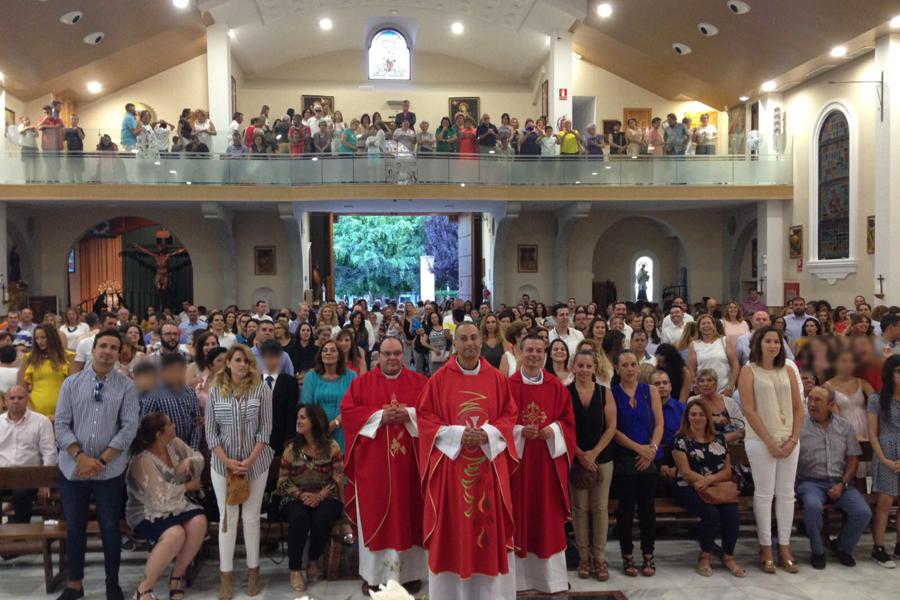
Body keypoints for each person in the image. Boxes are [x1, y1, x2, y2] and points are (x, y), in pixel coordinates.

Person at [417, 322, 519, 600]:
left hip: (487, 469)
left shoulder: (497, 379)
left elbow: (510, 416)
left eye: (474, 337)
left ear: (481, 342)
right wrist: (460, 435)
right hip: (452, 472)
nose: (470, 343)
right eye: (463, 339)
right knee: (453, 533)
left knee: (486, 534)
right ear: (456, 343)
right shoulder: (438, 379)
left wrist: (486, 434)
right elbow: (425, 419)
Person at [54, 330, 139, 600]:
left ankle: (111, 584)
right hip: (72, 468)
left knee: (110, 527)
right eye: (103, 345)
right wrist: (80, 457)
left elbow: (128, 428)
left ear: (119, 353)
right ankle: (75, 584)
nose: (107, 351)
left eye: (113, 347)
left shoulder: (126, 386)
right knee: (75, 526)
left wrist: (100, 461)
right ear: (93, 350)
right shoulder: (71, 383)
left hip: (109, 471)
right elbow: (61, 424)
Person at [341, 336, 428, 594]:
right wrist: (380, 415)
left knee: (410, 515)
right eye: (387, 354)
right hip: (373, 469)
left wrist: (409, 414)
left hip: (410, 468)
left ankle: (410, 574)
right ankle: (375, 576)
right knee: (376, 517)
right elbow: (348, 414)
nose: (392, 359)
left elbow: (433, 414)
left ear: (404, 355)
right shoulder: (361, 384)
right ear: (377, 356)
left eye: (397, 354)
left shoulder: (421, 383)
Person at [205, 344, 273, 599]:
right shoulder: (215, 391)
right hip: (224, 465)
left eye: (246, 360)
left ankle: (253, 571)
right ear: (228, 363)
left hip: (256, 463)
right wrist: (228, 461)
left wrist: (249, 460)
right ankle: (226, 576)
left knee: (252, 518)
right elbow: (211, 434)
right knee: (228, 519)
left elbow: (265, 430)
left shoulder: (261, 390)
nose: (243, 365)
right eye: (238, 360)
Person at [509, 335, 575, 593]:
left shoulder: (556, 386)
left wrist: (554, 431)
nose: (534, 354)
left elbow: (568, 423)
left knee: (546, 518)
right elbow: (500, 423)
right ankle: (520, 581)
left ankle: (550, 580)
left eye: (539, 350)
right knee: (519, 517)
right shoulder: (508, 385)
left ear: (545, 354)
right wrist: (518, 432)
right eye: (529, 350)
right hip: (519, 465)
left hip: (547, 466)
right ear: (520, 352)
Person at [738, 326, 804, 574]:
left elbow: (799, 407)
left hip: (789, 439)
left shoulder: (788, 368)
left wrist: (794, 439)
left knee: (787, 494)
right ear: (759, 343)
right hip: (760, 439)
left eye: (777, 341)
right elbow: (749, 409)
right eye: (768, 341)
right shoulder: (749, 370)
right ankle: (765, 546)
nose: (773, 345)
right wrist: (770, 442)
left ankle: (784, 546)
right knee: (765, 494)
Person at [125, 412, 207, 600]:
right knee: (175, 534)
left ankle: (176, 576)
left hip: (175, 505)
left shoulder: (174, 444)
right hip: (146, 511)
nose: (174, 425)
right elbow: (159, 496)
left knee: (198, 522)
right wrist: (187, 486)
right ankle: (144, 589)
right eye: (170, 424)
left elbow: (198, 457)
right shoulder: (142, 461)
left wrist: (188, 461)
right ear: (159, 434)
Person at [796, 386, 871, 569]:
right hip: (810, 481)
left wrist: (842, 484)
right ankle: (818, 551)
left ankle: (842, 547)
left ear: (831, 404)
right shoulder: (799, 426)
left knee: (863, 512)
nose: (811, 404)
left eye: (817, 400)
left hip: (840, 482)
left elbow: (853, 459)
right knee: (813, 507)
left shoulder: (844, 426)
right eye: (810, 399)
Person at [671, 399, 746, 577]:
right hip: (688, 487)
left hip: (716, 486)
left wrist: (710, 480)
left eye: (701, 414)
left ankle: (728, 556)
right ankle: (704, 555)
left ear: (708, 417)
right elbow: (686, 472)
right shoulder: (680, 440)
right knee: (711, 515)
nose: (697, 418)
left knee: (731, 515)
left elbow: (727, 471)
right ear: (687, 417)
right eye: (693, 415)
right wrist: (703, 481)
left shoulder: (719, 439)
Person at [276, 404, 344, 592]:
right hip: (295, 496)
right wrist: (301, 494)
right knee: (299, 517)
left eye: (303, 417)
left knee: (322, 517)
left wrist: (321, 495)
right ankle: (295, 569)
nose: (298, 421)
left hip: (326, 494)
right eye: (298, 417)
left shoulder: (331, 446)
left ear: (315, 420)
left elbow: (338, 476)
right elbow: (282, 481)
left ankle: (313, 559)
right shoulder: (291, 448)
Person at [612, 350, 663, 577]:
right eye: (625, 365)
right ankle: (627, 554)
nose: (630, 369)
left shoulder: (649, 391)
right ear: (617, 368)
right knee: (625, 511)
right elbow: (612, 430)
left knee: (647, 512)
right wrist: (638, 449)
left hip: (648, 460)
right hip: (624, 460)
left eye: (633, 364)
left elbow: (659, 424)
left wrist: (650, 450)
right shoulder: (611, 394)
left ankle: (648, 554)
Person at [567, 350, 616, 581]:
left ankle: (599, 557)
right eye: (580, 366)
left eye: (588, 366)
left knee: (599, 508)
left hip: (602, 458)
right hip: (576, 458)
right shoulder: (565, 393)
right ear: (573, 367)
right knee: (579, 509)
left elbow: (612, 426)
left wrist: (594, 454)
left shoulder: (604, 393)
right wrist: (581, 455)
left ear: (594, 368)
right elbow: (563, 426)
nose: (584, 370)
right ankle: (584, 557)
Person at [0, 385, 57, 523]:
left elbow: (49, 452)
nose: (16, 401)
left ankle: (20, 531)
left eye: (20, 397)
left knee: (21, 495)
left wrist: (45, 482)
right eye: (12, 398)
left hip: (29, 477)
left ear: (27, 399)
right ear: (5, 401)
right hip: (3, 474)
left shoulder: (41, 421)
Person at [867, 355, 900, 568]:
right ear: (890, 374)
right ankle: (878, 547)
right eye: (898, 371)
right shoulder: (877, 399)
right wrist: (884, 459)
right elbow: (872, 433)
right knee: (885, 504)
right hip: (886, 450)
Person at [300, 340, 355, 452]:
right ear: (320, 355)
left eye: (333, 350)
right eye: (324, 350)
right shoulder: (311, 377)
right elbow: (306, 406)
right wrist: (320, 429)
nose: (328, 353)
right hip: (315, 431)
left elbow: (354, 406)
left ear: (339, 356)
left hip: (343, 429)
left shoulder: (351, 376)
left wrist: (334, 424)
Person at [139, 353, 202, 450]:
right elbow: (145, 424)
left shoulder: (190, 392)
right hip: (163, 449)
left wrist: (192, 449)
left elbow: (196, 423)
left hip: (188, 448)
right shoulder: (154, 393)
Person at [19, 324, 73, 419]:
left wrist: (62, 414)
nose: (40, 341)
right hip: (35, 412)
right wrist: (30, 412)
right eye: (37, 338)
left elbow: (75, 389)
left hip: (62, 412)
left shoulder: (69, 357)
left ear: (52, 337)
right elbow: (21, 389)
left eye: (43, 337)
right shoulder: (29, 358)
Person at [825, 349, 874, 441]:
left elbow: (877, 403)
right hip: (841, 429)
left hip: (865, 426)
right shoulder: (828, 387)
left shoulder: (862, 383)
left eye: (851, 361)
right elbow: (835, 416)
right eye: (844, 361)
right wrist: (851, 435)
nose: (848, 365)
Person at [689, 314, 739, 396]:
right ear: (699, 328)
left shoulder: (725, 340)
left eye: (709, 323)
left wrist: (730, 387)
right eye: (703, 324)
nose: (706, 326)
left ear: (714, 325)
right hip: (704, 389)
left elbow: (735, 365)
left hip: (724, 389)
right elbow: (691, 370)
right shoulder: (694, 344)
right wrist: (695, 385)